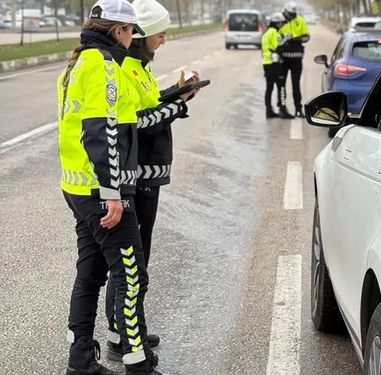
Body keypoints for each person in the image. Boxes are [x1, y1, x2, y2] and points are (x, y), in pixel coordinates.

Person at [57, 0, 162, 374]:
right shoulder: (103, 69)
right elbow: (103, 133)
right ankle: (137, 363)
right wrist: (113, 193)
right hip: (102, 192)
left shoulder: (75, 66)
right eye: (131, 31)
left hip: (77, 187)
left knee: (91, 272)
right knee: (131, 275)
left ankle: (81, 358)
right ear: (119, 31)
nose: (134, 38)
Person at [103, 0, 199, 361]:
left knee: (138, 259)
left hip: (149, 177)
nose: (164, 40)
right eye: (159, 34)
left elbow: (151, 104)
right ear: (140, 36)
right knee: (131, 263)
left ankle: (128, 329)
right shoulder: (126, 69)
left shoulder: (140, 67)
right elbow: (141, 122)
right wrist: (179, 105)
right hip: (137, 178)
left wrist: (177, 94)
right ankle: (124, 335)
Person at [279, 1, 310, 118]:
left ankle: (298, 109)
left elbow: (306, 36)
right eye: (290, 13)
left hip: (297, 59)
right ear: (285, 11)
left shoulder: (300, 20)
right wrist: (284, 39)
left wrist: (295, 39)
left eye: (293, 14)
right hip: (283, 60)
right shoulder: (279, 21)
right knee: (281, 85)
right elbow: (274, 36)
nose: (292, 16)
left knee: (296, 85)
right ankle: (282, 108)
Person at [262, 13, 294, 119]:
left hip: (266, 63)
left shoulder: (266, 32)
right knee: (281, 87)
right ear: (277, 23)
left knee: (269, 88)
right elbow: (278, 48)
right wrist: (286, 39)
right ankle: (283, 110)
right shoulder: (274, 32)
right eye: (281, 23)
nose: (282, 25)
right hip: (275, 64)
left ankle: (268, 111)